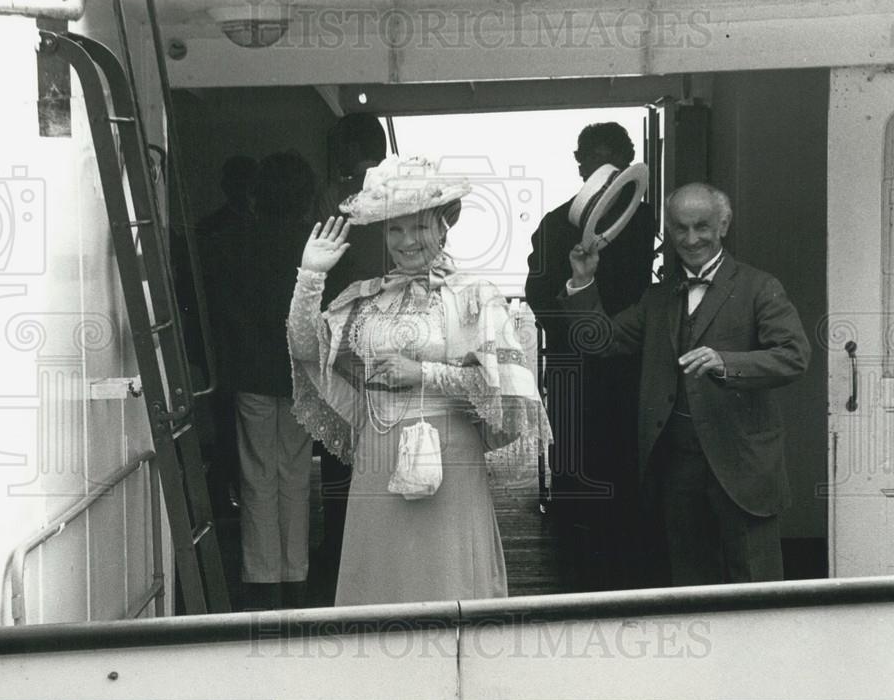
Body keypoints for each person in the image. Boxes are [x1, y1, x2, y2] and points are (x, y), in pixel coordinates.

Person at [287, 155, 552, 606]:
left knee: (446, 581)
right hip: (378, 456)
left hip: (451, 457)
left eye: (420, 228)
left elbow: (507, 389)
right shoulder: (366, 298)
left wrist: (424, 372)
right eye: (395, 229)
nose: (407, 241)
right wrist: (311, 275)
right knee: (380, 586)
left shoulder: (475, 297)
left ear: (444, 227)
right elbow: (305, 350)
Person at [563, 183, 810, 585]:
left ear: (723, 224)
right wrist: (582, 281)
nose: (691, 239)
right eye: (681, 228)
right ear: (670, 231)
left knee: (756, 586)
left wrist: (725, 361)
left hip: (743, 466)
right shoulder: (658, 297)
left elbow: (794, 356)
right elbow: (601, 341)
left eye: (702, 226)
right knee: (690, 584)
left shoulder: (759, 287)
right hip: (677, 466)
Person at [524, 122, 655, 591]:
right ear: (579, 163)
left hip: (617, 368)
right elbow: (538, 293)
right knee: (581, 468)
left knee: (617, 466)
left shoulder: (647, 224)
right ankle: (580, 569)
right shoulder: (565, 224)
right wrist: (581, 339)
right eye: (593, 159)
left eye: (606, 161)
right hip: (585, 369)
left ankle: (599, 568)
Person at [222, 151, 317, 609]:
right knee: (295, 475)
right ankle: (295, 574)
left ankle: (261, 579)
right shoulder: (311, 244)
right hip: (299, 376)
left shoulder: (236, 240)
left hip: (251, 372)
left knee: (257, 476)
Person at [310, 113, 388, 578]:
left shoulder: (330, 200)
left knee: (342, 451)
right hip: (392, 336)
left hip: (340, 337)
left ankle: (341, 550)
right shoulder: (396, 195)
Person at [196, 155, 258, 515]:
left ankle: (226, 496)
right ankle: (224, 495)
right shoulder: (245, 230)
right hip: (228, 341)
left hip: (225, 340)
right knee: (228, 430)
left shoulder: (210, 227)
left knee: (230, 429)